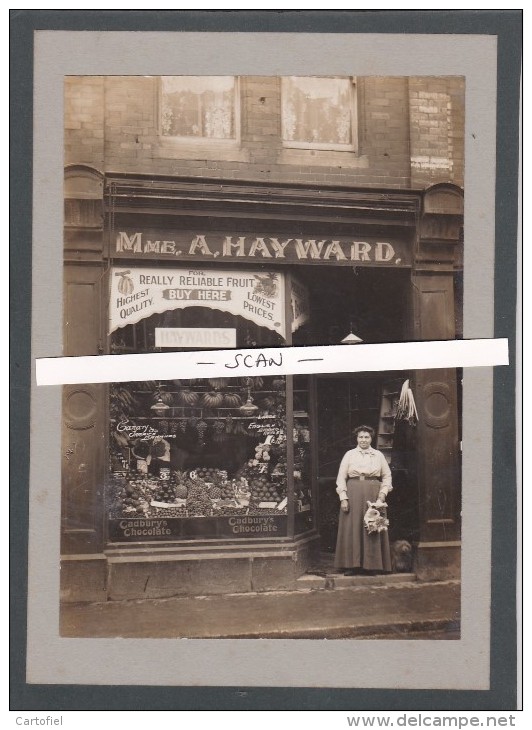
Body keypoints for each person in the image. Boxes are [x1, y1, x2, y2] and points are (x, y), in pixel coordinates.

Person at [334, 425, 392, 575]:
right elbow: (341, 477)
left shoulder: (378, 455)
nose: (363, 440)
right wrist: (343, 498)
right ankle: (352, 565)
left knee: (374, 526)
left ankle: (373, 565)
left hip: (374, 493)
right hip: (353, 492)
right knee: (353, 527)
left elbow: (387, 476)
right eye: (361, 437)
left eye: (366, 437)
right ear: (357, 438)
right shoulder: (350, 454)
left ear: (371, 438)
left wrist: (382, 495)